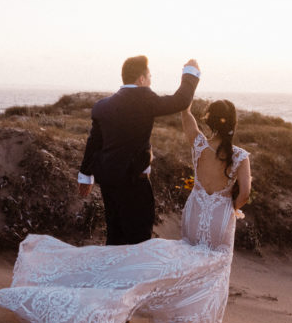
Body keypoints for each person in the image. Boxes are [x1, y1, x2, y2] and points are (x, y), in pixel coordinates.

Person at [0, 98, 252, 323]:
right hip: (219, 212)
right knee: (214, 267)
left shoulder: (199, 145)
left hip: (195, 209)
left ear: (210, 121)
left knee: (186, 257)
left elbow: (186, 116)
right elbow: (245, 193)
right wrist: (232, 208)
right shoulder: (239, 156)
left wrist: (189, 88)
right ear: (233, 123)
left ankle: (176, 318)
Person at [77, 56, 201, 245]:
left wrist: (85, 176)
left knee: (115, 237)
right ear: (141, 79)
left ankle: (113, 274)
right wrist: (190, 73)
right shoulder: (144, 99)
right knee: (139, 240)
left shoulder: (103, 106)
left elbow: (94, 143)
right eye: (149, 77)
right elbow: (181, 101)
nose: (151, 81)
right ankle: (129, 274)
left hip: (109, 183)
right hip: (134, 184)